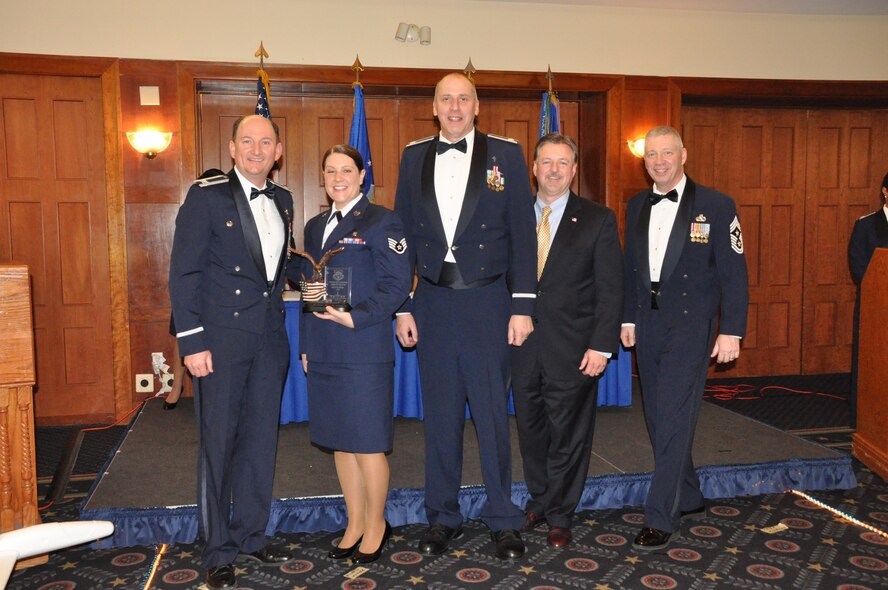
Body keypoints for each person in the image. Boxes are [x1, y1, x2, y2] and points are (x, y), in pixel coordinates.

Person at [394, 72, 537, 560]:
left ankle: (503, 517)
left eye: (463, 99)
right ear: (433, 107)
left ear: (477, 106)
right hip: (432, 303)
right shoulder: (413, 156)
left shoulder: (507, 154)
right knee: (441, 417)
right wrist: (402, 305)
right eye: (445, 99)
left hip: (488, 303)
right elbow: (402, 241)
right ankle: (442, 516)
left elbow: (523, 233)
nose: (454, 107)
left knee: (494, 416)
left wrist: (522, 305)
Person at [169, 115, 296, 589]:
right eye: (248, 141)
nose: (257, 149)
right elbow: (184, 274)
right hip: (219, 342)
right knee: (218, 443)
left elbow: (280, 271)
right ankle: (217, 546)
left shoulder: (282, 200)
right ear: (232, 148)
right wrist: (192, 341)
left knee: (261, 440)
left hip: (269, 340)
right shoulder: (206, 197)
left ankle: (250, 533)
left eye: (266, 142)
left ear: (278, 152)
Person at [620, 125, 749, 551]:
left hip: (692, 327)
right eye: (651, 155)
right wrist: (627, 319)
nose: (658, 161)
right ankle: (689, 493)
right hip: (649, 324)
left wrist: (731, 329)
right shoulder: (636, 204)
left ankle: (662, 515)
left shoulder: (716, 204)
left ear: (684, 155)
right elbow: (630, 270)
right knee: (658, 416)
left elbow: (734, 274)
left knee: (673, 414)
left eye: (667, 153)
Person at [298, 144, 411, 564]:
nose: (339, 177)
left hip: (362, 346)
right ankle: (354, 521)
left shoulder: (383, 221)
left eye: (347, 170)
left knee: (366, 443)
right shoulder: (314, 226)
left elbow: (397, 284)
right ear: (323, 178)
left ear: (363, 176)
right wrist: (307, 345)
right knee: (340, 443)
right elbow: (311, 288)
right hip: (325, 348)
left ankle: (377, 523)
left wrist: (357, 318)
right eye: (330, 171)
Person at [512, 133, 623, 548]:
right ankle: (540, 499)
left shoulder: (597, 218)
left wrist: (602, 345)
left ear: (574, 170)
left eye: (563, 162)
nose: (554, 170)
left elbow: (611, 290)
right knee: (531, 430)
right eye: (546, 161)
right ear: (534, 168)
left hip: (574, 349)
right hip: (521, 347)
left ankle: (561, 513)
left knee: (569, 434)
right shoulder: (513, 215)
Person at [164, 168, 226, 411]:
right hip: (190, 286)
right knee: (182, 333)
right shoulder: (191, 207)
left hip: (216, 290)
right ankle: (176, 384)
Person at [848, 171, 888, 424]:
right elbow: (858, 263)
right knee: (871, 363)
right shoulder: (866, 224)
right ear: (885, 191)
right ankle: (864, 415)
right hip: (877, 306)